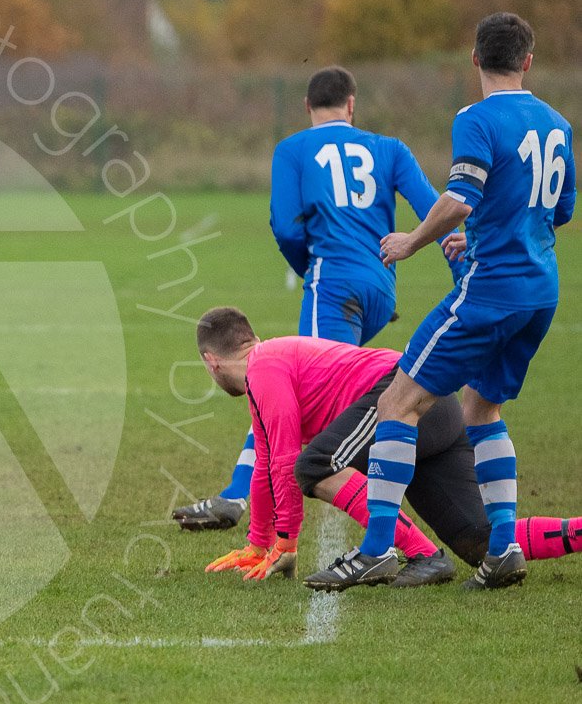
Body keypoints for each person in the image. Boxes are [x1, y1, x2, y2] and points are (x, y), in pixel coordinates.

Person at [307, 12, 576, 591]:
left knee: (398, 403)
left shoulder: (476, 118)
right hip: (540, 292)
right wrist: (479, 234)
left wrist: (412, 240)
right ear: (528, 61)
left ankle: (377, 549)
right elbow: (556, 213)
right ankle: (503, 547)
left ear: (474, 59)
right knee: (483, 407)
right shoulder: (558, 124)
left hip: (489, 292)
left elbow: (459, 197)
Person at [174, 66, 458, 531]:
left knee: (277, 385)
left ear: (307, 107)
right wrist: (461, 269)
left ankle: (238, 498)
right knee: (315, 388)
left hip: (334, 285)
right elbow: (436, 212)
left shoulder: (293, 149)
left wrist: (308, 268)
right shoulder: (390, 148)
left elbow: (285, 226)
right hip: (382, 288)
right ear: (352, 104)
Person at [193, 308, 581, 587]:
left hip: (401, 399)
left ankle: (421, 555)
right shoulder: (268, 363)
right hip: (436, 408)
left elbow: (284, 462)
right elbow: (263, 465)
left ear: (212, 362)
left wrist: (286, 543)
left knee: (315, 465)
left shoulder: (263, 367)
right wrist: (259, 543)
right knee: (483, 542)